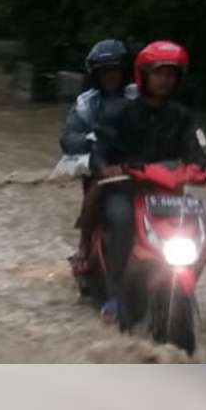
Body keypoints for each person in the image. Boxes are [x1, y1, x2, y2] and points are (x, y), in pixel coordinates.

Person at [90, 40, 206, 323]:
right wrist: (107, 168)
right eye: (159, 73)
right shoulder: (120, 113)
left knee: (197, 225)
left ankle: (183, 281)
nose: (165, 80)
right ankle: (116, 295)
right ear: (144, 75)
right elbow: (99, 150)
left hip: (167, 192)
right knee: (122, 220)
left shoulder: (182, 116)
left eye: (171, 74)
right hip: (127, 188)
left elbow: (195, 153)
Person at [60, 39, 137, 269]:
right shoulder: (87, 103)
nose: (109, 76)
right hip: (103, 164)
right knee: (96, 189)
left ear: (124, 71)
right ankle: (84, 246)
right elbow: (69, 137)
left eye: (114, 70)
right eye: (104, 72)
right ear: (96, 75)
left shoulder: (140, 96)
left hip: (140, 164)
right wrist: (91, 141)